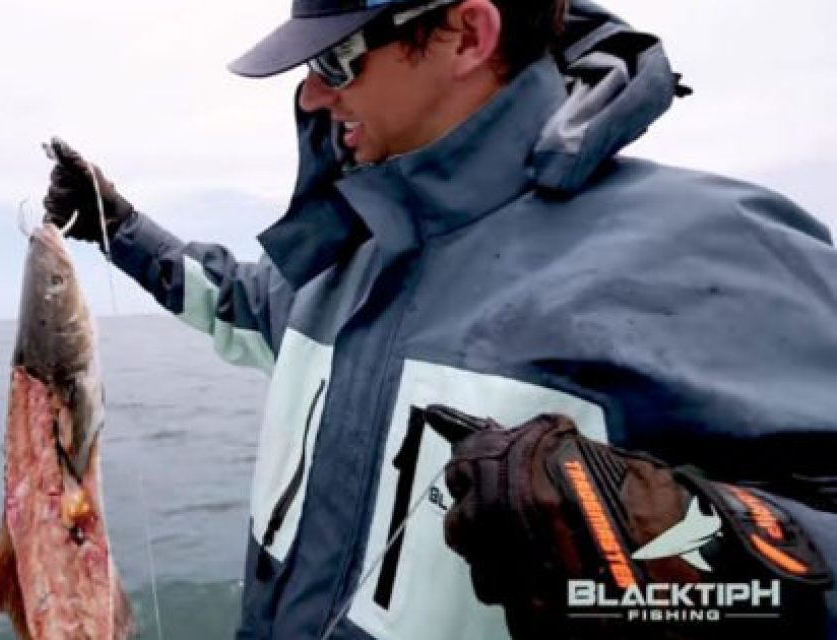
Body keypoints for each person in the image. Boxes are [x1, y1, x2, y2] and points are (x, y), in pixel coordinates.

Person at [42, 0, 837, 637]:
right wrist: (118, 226)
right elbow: (245, 305)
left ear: (466, 33)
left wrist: (708, 545)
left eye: (335, 58)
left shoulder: (710, 249)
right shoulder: (343, 260)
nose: (313, 94)